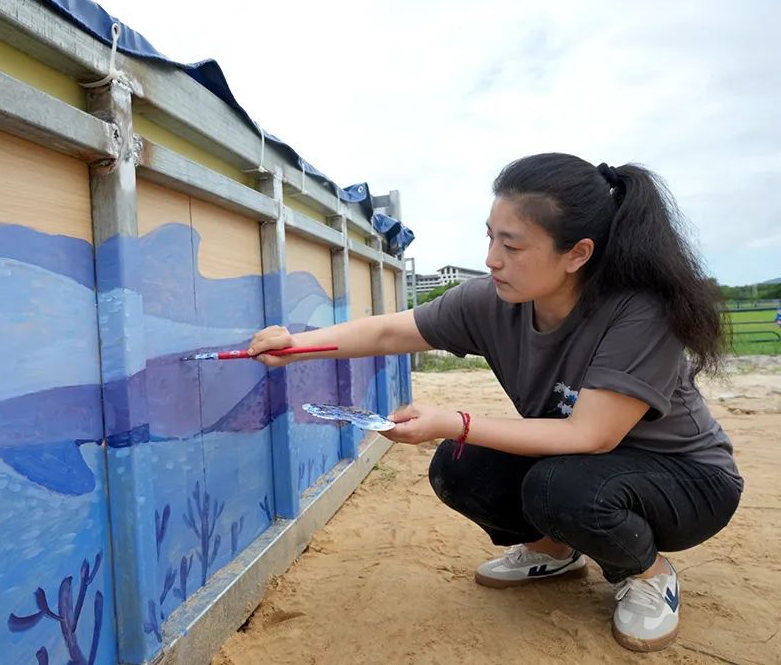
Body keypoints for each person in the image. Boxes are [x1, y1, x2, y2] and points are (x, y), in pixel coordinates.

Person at [246, 153, 743, 653]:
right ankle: (554, 553)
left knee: (557, 487)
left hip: (686, 480)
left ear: (577, 254)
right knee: (462, 465)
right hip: (582, 464)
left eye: (512, 245)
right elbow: (390, 331)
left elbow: (590, 435)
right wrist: (296, 345)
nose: (491, 259)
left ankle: (648, 573)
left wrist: (453, 421)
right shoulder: (495, 301)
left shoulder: (638, 313)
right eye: (490, 238)